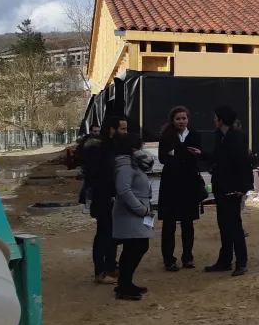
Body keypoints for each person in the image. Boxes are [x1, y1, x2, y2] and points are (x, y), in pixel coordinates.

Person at [205, 106, 253, 276]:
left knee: (234, 226)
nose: (214, 120)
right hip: (222, 187)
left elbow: (243, 164)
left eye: (215, 117)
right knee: (224, 226)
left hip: (232, 189)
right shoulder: (221, 137)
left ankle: (241, 262)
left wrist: (243, 187)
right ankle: (225, 260)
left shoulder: (236, 138)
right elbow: (219, 158)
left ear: (221, 120)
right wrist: (203, 155)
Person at [157, 106, 203, 272]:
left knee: (188, 223)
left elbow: (196, 156)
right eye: (178, 119)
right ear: (173, 120)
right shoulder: (166, 136)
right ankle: (168, 259)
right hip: (171, 184)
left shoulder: (195, 135)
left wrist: (177, 153)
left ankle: (188, 257)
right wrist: (181, 153)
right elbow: (163, 158)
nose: (181, 121)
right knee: (169, 224)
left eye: (184, 118)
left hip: (189, 184)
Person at [111, 133, 154, 301]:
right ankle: (124, 285)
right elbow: (124, 190)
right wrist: (140, 209)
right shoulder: (125, 165)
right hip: (130, 213)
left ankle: (125, 283)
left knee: (137, 246)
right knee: (135, 247)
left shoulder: (133, 163)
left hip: (136, 211)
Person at [86, 116, 125, 284]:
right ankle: (100, 271)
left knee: (113, 234)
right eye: (122, 129)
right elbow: (96, 176)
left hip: (114, 197)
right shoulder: (98, 149)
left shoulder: (115, 147)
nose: (125, 132)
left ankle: (111, 266)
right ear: (112, 129)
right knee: (103, 233)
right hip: (103, 198)